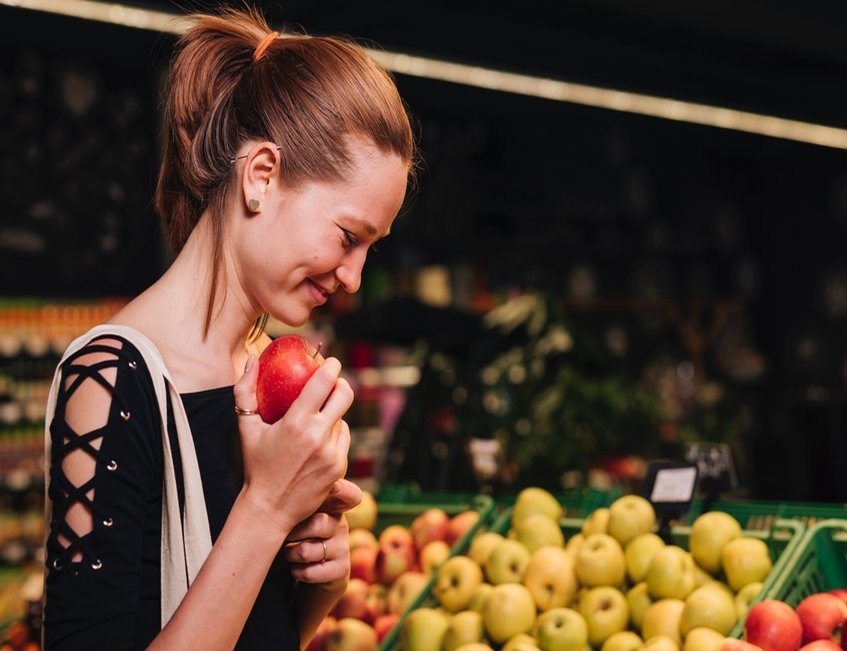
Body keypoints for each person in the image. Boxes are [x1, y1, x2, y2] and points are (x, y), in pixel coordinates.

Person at [41, 4, 418, 650]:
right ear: (261, 176)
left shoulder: (266, 370)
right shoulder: (108, 384)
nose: (354, 277)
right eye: (348, 236)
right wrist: (267, 509)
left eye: (370, 248)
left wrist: (318, 585)